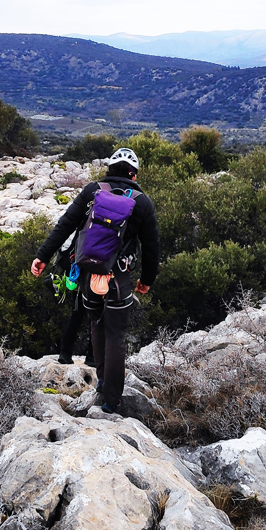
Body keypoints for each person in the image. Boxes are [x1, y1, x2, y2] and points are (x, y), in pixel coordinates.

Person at [31, 147, 159, 414]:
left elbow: (65, 224)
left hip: (89, 275)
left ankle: (100, 384)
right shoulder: (142, 202)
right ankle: (111, 401)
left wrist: (43, 256)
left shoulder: (92, 191)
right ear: (133, 175)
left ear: (109, 169)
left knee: (96, 324)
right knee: (116, 335)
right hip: (119, 278)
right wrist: (146, 280)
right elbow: (151, 247)